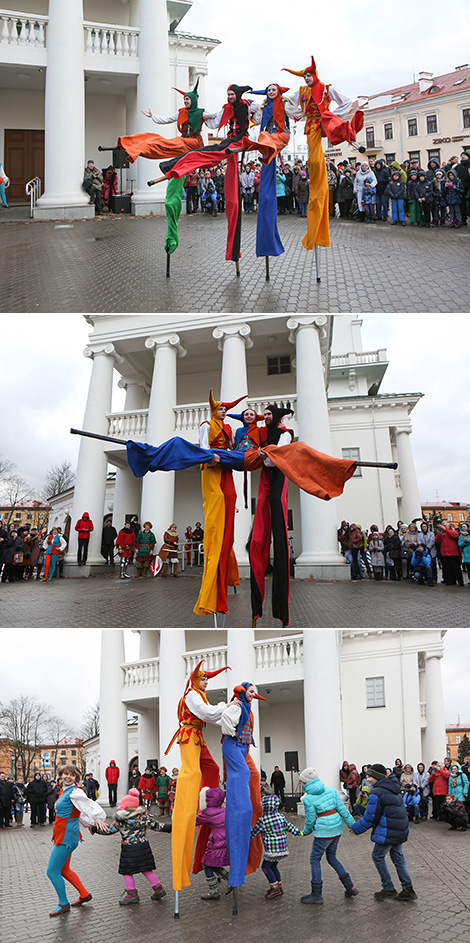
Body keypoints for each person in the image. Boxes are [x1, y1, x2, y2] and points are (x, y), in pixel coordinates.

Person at [283, 55, 364, 250]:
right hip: (311, 123)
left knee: (335, 126)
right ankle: (318, 176)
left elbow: (346, 101)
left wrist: (336, 114)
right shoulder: (302, 91)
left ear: (315, 75)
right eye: (304, 77)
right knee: (316, 160)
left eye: (308, 76)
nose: (306, 79)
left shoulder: (327, 88)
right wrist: (296, 113)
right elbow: (289, 103)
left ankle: (349, 130)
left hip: (325, 119)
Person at [164, 659, 229, 892]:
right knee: (191, 772)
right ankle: (189, 801)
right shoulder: (192, 695)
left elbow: (212, 717)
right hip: (189, 736)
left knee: (211, 768)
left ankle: (208, 801)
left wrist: (229, 715)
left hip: (198, 737)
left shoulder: (200, 695)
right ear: (195, 679)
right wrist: (225, 707)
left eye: (207, 679)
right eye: (204, 678)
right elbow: (207, 713)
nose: (206, 682)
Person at [194, 389, 245, 618]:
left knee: (229, 498)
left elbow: (233, 448)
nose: (224, 411)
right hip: (213, 466)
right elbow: (204, 446)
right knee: (217, 500)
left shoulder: (229, 428)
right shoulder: (207, 424)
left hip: (226, 465)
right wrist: (210, 458)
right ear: (214, 410)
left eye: (225, 409)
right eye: (221, 408)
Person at [248, 404, 294, 626]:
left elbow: (276, 457)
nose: (264, 417)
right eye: (263, 415)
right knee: (258, 538)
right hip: (266, 479)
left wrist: (264, 454)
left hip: (279, 479)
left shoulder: (285, 434)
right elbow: (258, 453)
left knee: (279, 533)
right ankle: (256, 611)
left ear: (274, 416)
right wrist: (260, 453)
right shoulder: (263, 433)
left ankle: (282, 612)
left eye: (267, 415)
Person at [91, 787, 171, 905]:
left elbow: (108, 831)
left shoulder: (121, 820)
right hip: (143, 847)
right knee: (146, 869)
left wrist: (94, 828)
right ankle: (158, 889)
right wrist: (173, 827)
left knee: (127, 871)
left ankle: (132, 894)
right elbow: (158, 826)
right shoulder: (143, 817)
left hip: (129, 849)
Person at [220, 682, 265, 889]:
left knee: (253, 775)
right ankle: (244, 809)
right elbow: (225, 719)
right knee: (245, 775)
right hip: (235, 746)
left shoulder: (247, 707)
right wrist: (233, 734)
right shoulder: (237, 706)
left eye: (254, 692)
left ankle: (254, 807)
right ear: (243, 692)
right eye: (251, 691)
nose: (253, 694)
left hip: (243, 749)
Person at [46, 764, 106, 916]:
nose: (68, 776)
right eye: (65, 773)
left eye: (71, 775)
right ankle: (84, 894)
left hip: (66, 837)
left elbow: (89, 805)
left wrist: (97, 817)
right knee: (64, 870)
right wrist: (89, 825)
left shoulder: (75, 792)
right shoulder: (65, 791)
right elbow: (77, 813)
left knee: (52, 872)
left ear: (76, 778)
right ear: (61, 775)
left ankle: (63, 903)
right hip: (64, 835)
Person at [351, 763, 417, 901]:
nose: (367, 779)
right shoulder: (393, 787)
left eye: (370, 776)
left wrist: (356, 828)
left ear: (377, 777)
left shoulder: (377, 793)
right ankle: (408, 889)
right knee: (398, 858)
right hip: (399, 828)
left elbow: (370, 818)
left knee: (377, 856)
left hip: (388, 830)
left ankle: (388, 888)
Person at [299, 766, 358, 904]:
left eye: (301, 782)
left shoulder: (308, 799)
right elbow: (344, 810)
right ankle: (350, 886)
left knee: (315, 859)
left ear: (306, 783)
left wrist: (306, 832)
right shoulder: (331, 791)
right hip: (336, 830)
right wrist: (352, 826)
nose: (301, 785)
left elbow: (310, 820)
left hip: (323, 833)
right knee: (332, 857)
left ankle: (316, 894)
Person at [250, 793, 302, 899]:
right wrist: (300, 832)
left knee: (265, 867)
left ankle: (275, 888)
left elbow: (253, 832)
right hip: (282, 848)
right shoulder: (281, 817)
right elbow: (290, 827)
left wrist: (243, 837)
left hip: (272, 850)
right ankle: (279, 886)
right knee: (273, 866)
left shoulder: (263, 820)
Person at [195, 786, 230, 900]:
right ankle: (230, 879)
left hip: (216, 842)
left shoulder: (208, 812)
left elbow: (194, 821)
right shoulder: (224, 809)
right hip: (226, 840)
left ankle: (214, 890)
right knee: (212, 864)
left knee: (206, 864)